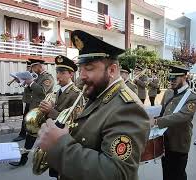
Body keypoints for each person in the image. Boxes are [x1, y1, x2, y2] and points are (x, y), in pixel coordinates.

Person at [37, 30, 150, 180]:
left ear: (112, 70)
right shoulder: (99, 93)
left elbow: (117, 173)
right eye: (81, 68)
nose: (82, 76)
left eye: (89, 68)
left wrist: (60, 144)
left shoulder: (128, 108)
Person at [152, 64, 196, 180]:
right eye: (170, 78)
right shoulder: (168, 92)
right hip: (164, 140)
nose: (171, 81)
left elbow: (182, 116)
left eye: (175, 78)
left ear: (184, 77)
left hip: (179, 141)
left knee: (178, 175)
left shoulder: (193, 95)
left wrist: (156, 122)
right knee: (167, 173)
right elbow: (163, 111)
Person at [9, 58, 54, 166]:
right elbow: (32, 90)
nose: (32, 70)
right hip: (35, 108)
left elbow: (42, 91)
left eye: (33, 67)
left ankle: (50, 157)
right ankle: (24, 158)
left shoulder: (48, 77)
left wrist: (31, 82)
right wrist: (23, 81)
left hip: (42, 110)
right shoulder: (38, 76)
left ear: (39, 66)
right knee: (32, 135)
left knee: (39, 134)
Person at [12, 61, 32, 142]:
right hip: (29, 100)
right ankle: (22, 134)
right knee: (25, 118)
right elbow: (24, 85)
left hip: (34, 100)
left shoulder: (36, 76)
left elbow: (36, 88)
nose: (27, 69)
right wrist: (19, 80)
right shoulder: (28, 75)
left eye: (29, 67)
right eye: (27, 67)